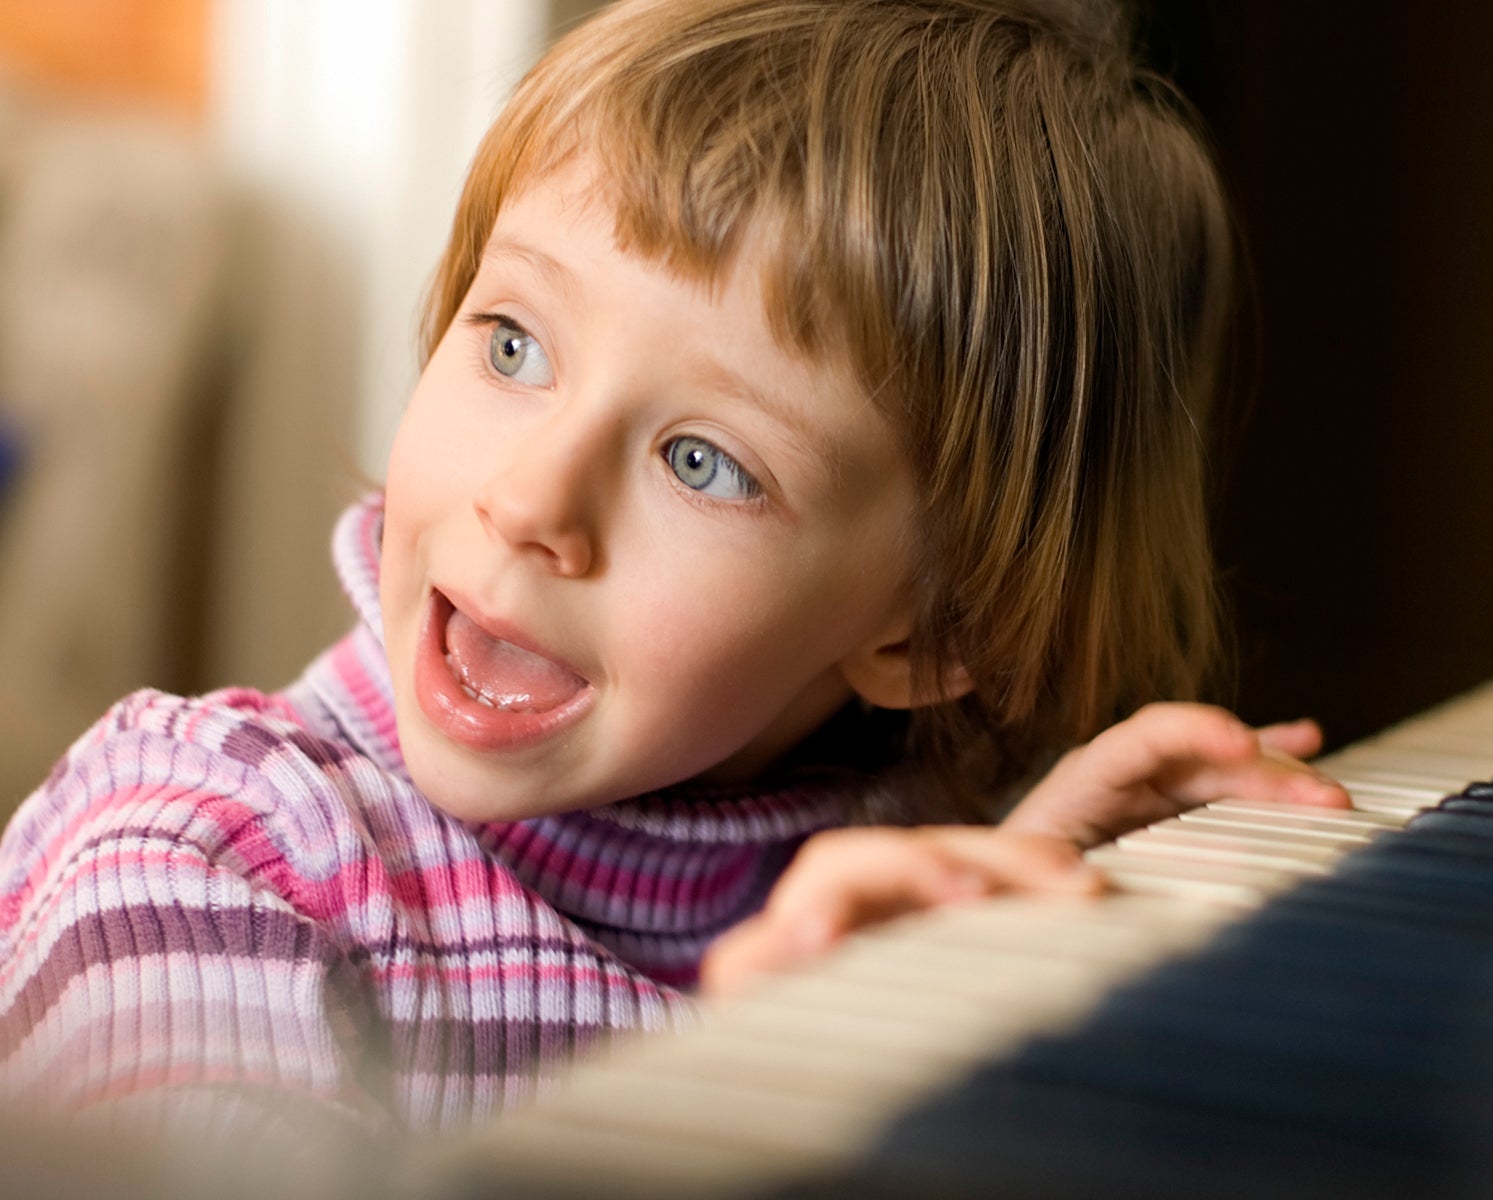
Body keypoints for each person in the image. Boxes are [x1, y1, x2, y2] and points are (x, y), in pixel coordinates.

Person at [0, 0, 1347, 1169]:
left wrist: (1000, 934)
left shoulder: (884, 861)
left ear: (938, 630)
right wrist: (737, 1095)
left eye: (702, 460)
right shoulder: (201, 854)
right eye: (514, 343)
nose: (529, 501)